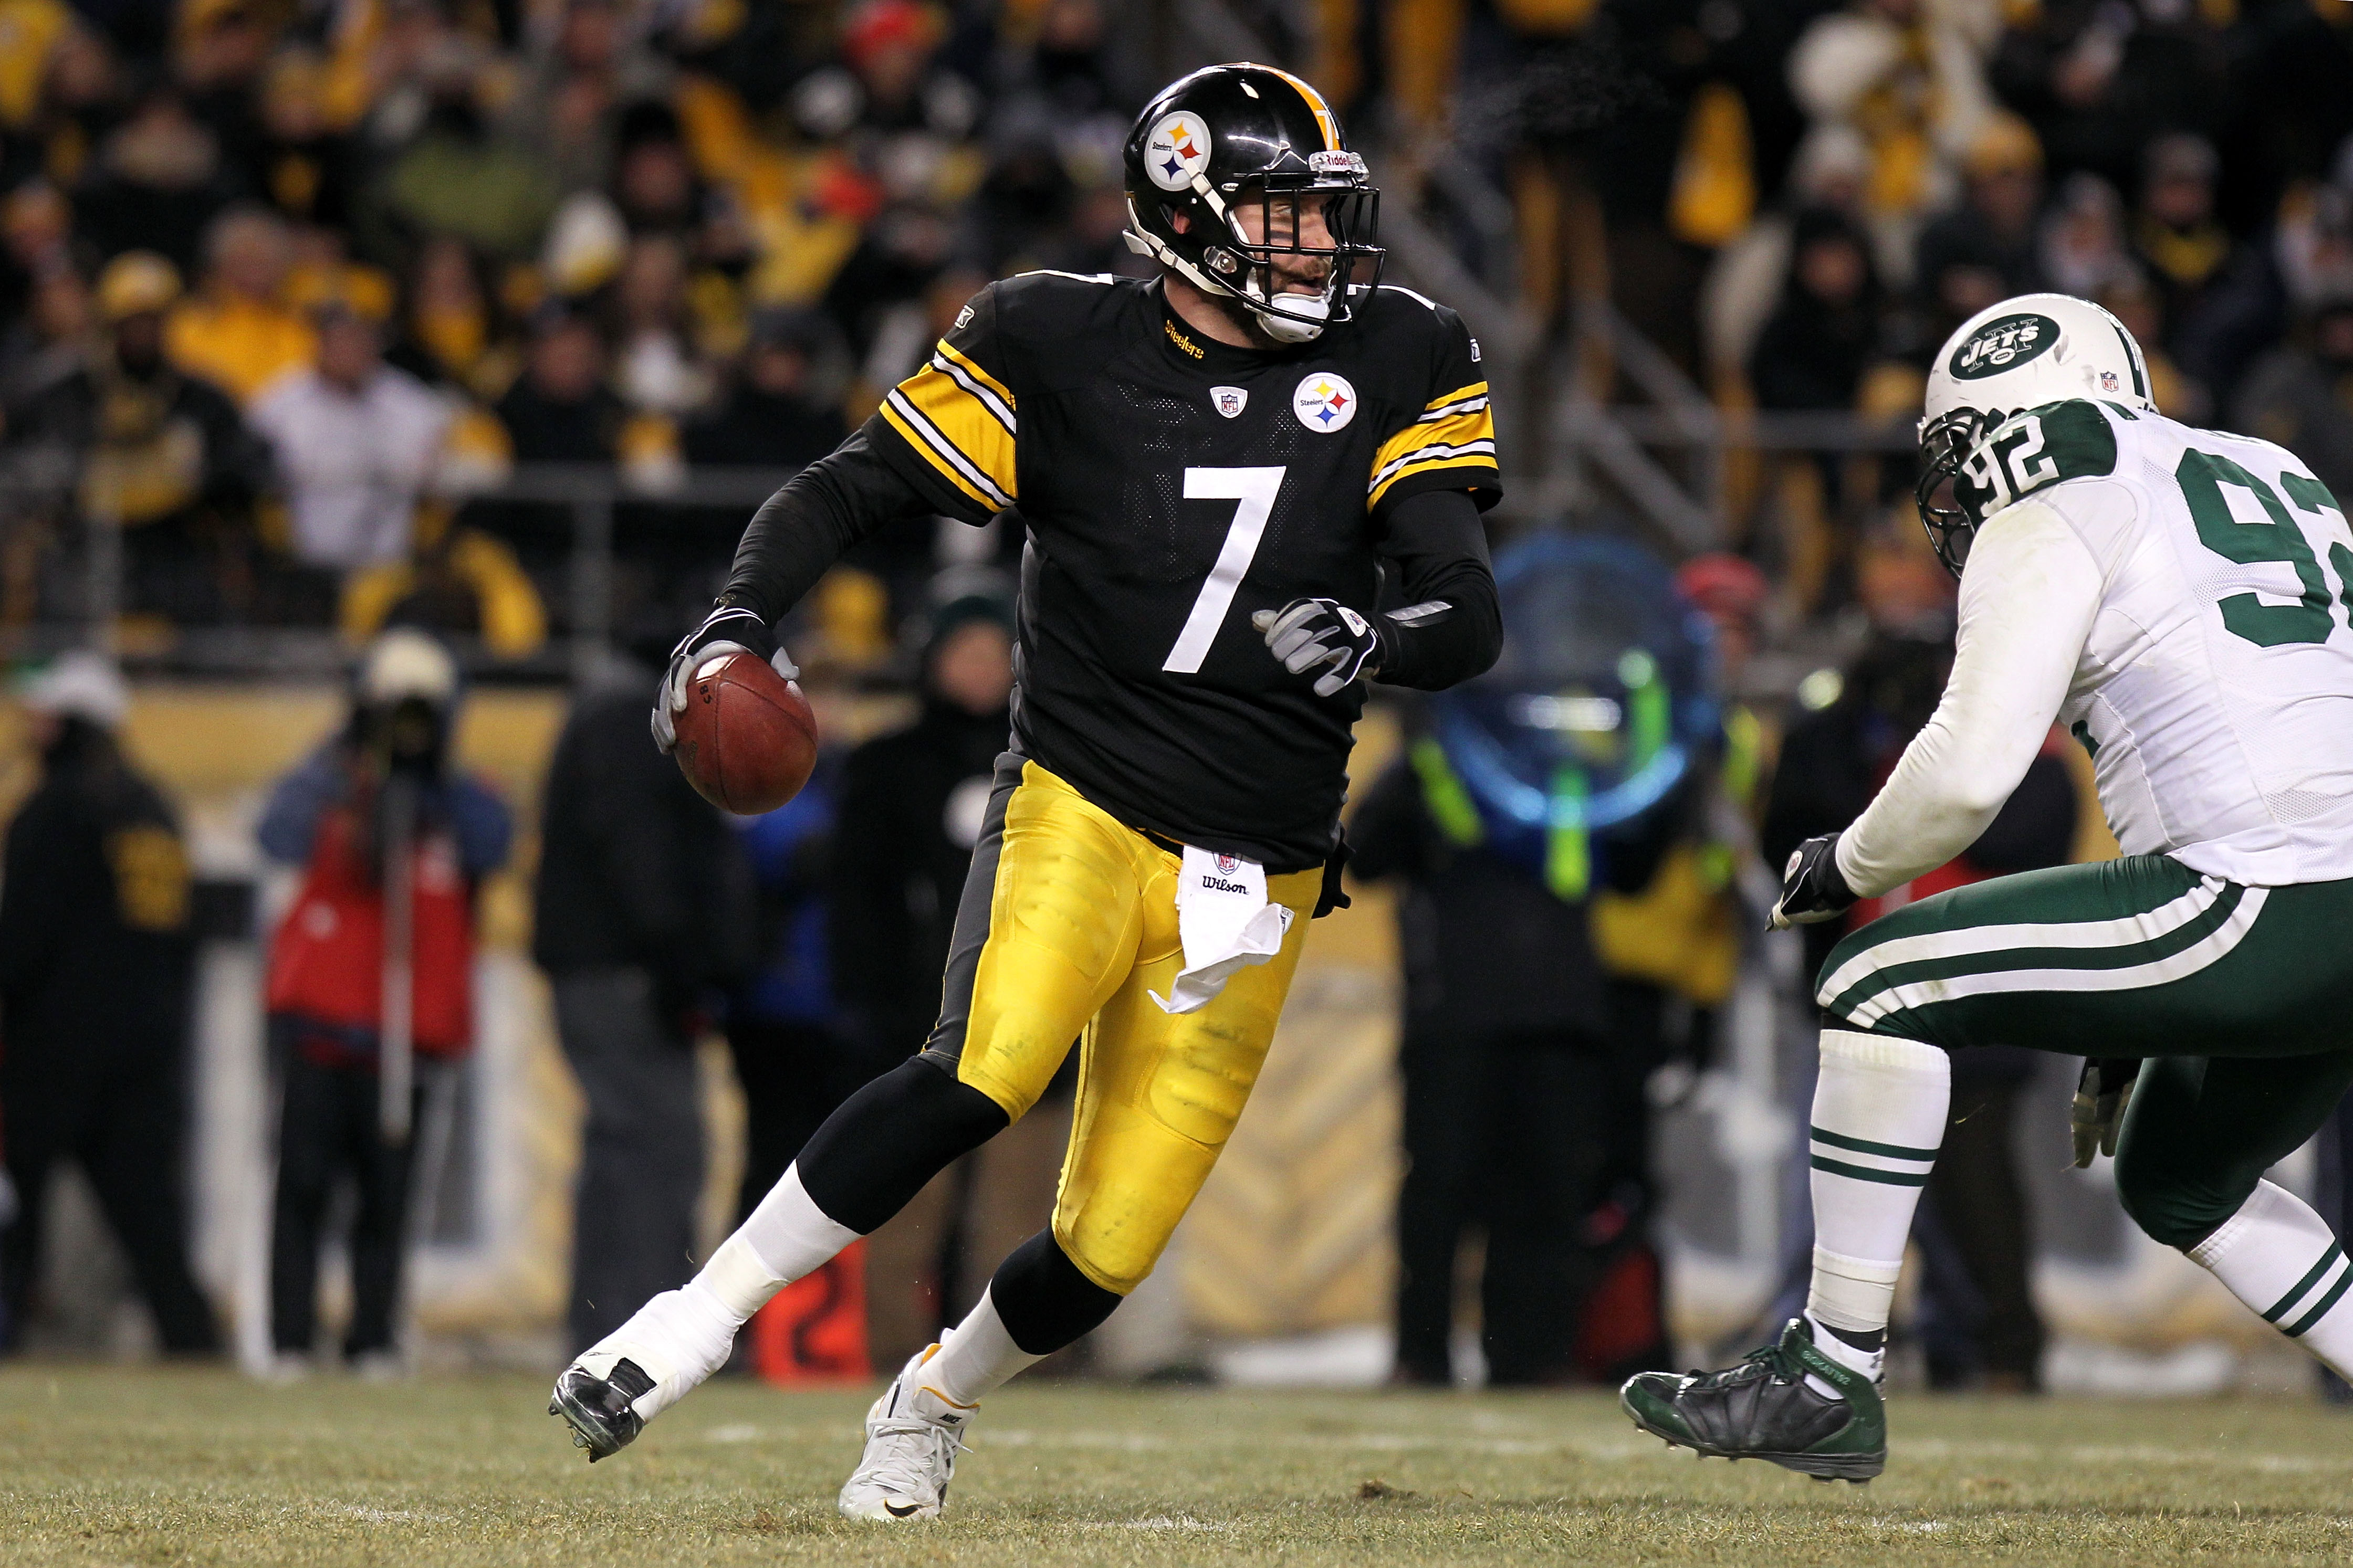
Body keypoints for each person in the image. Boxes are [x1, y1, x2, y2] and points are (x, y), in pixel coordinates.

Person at [548, 62, 1502, 1521]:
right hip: (1085, 792)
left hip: (1265, 864)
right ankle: (689, 1320)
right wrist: (741, 617)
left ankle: (930, 1397)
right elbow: (850, 488)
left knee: (1104, 1252)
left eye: (1321, 216)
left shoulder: (1402, 352)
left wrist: (1384, 633)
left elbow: (1465, 607)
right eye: (1280, 215)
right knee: (981, 1069)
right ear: (1187, 217)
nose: (1317, 245)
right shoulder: (1050, 337)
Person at [1623, 291, 2353, 1479]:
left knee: (1874, 972)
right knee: (2182, 1174)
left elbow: (1964, 775)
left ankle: (1828, 1372)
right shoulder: (2270, 466)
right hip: (2318, 889)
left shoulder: (2056, 486)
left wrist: (1843, 861)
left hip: (2250, 893)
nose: (1957, 494)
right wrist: (2144, 1005)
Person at [258, 629, 511, 1374]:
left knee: (389, 1197)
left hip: (409, 1035)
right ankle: (289, 1340)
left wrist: (436, 766)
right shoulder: (338, 788)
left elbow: (491, 845)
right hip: (324, 1023)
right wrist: (351, 745)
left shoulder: (458, 803)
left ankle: (373, 1337)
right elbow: (277, 834)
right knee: (302, 1186)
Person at [533, 645, 754, 1356]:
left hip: (603, 965)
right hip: (624, 968)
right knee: (662, 1149)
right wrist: (680, 954)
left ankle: (599, 1325)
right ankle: (645, 1340)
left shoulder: (606, 710)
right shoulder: (634, 723)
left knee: (620, 1145)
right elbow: (642, 850)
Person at [0, 652, 218, 1357]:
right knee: (152, 1224)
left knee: (15, 1209)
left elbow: (23, 935)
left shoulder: (57, 807)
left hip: (54, 1047)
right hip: (142, 1050)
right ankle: (197, 1349)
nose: (32, 727)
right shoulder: (154, 805)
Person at [247, 287, 455, 573]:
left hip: (390, 568)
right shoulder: (278, 404)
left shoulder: (411, 403)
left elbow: (447, 473)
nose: (350, 348)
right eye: (340, 337)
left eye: (360, 336)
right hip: (302, 567)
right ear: (319, 341)